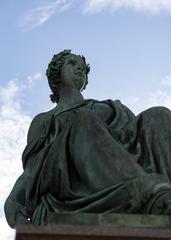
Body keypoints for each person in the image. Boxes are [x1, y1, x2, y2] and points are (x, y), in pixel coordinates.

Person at [4, 49, 171, 228]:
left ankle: (162, 194)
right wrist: (14, 200)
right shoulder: (44, 120)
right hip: (66, 180)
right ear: (57, 74)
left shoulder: (109, 107)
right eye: (72, 64)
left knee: (158, 114)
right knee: (84, 119)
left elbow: (136, 139)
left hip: (120, 160)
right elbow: (32, 169)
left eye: (82, 67)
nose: (80, 69)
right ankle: (146, 192)